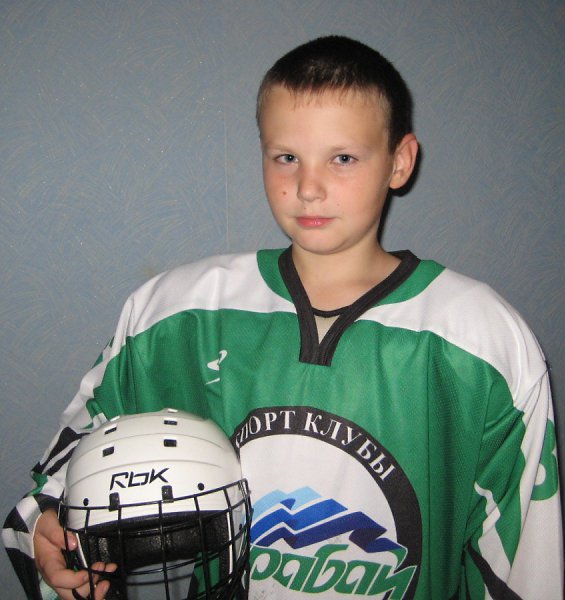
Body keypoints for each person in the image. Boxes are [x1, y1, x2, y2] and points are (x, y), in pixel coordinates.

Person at [3, 35, 563, 600]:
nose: (308, 187)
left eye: (342, 158)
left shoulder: (483, 341)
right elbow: (67, 472)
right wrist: (48, 525)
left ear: (399, 162)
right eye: (286, 157)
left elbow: (524, 560)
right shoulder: (174, 314)